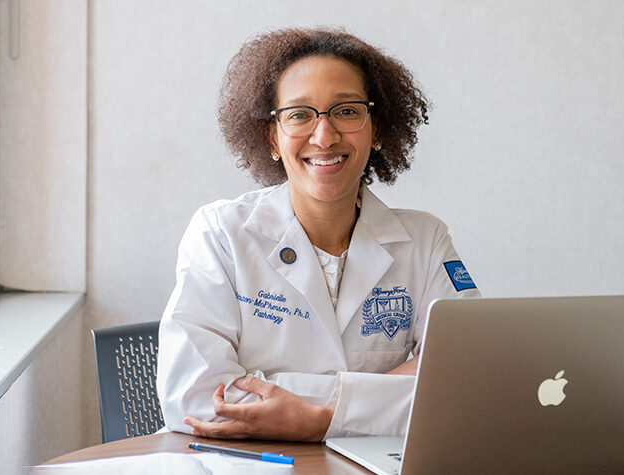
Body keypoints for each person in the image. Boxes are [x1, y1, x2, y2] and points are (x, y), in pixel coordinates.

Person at [156, 27, 481, 442]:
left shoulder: (425, 240)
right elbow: (195, 398)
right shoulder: (221, 234)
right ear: (273, 138)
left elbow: (466, 380)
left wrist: (317, 417)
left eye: (346, 111)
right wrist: (388, 394)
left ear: (376, 129)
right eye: (299, 114)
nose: (324, 136)